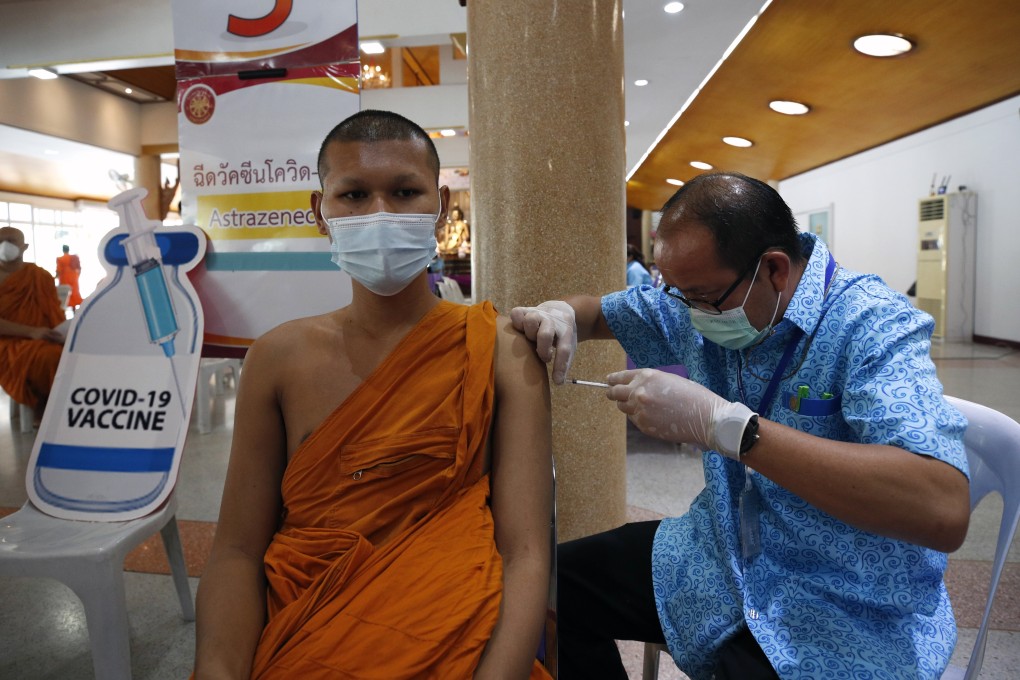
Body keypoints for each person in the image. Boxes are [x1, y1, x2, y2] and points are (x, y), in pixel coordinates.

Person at [511, 172, 970, 679]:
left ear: (773, 268)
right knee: (543, 592)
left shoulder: (872, 324)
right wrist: (561, 316)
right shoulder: (695, 299)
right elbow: (597, 312)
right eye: (678, 293)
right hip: (718, 552)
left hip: (843, 599)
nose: (688, 312)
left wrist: (730, 427)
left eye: (703, 297)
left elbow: (941, 507)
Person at [194, 110, 553, 680]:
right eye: (354, 194)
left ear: (438, 207)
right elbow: (237, 551)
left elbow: (527, 553)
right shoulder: (277, 358)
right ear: (321, 212)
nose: (380, 214)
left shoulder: (501, 350)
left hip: (460, 644)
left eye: (405, 192)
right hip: (308, 637)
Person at [0, 226, 66, 418]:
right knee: (49, 358)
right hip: (7, 342)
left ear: (24, 246)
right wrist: (30, 331)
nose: (5, 245)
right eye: (0, 241)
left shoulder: (40, 276)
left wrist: (59, 333)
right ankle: (50, 409)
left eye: (11, 241)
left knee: (72, 352)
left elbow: (54, 314)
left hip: (43, 336)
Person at [54, 244, 83, 311]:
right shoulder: (74, 257)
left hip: (65, 277)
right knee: (74, 292)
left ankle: (63, 311)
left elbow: (58, 270)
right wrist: (77, 276)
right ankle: (74, 310)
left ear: (63, 250)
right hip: (73, 276)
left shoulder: (60, 259)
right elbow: (79, 268)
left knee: (66, 294)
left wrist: (54, 278)